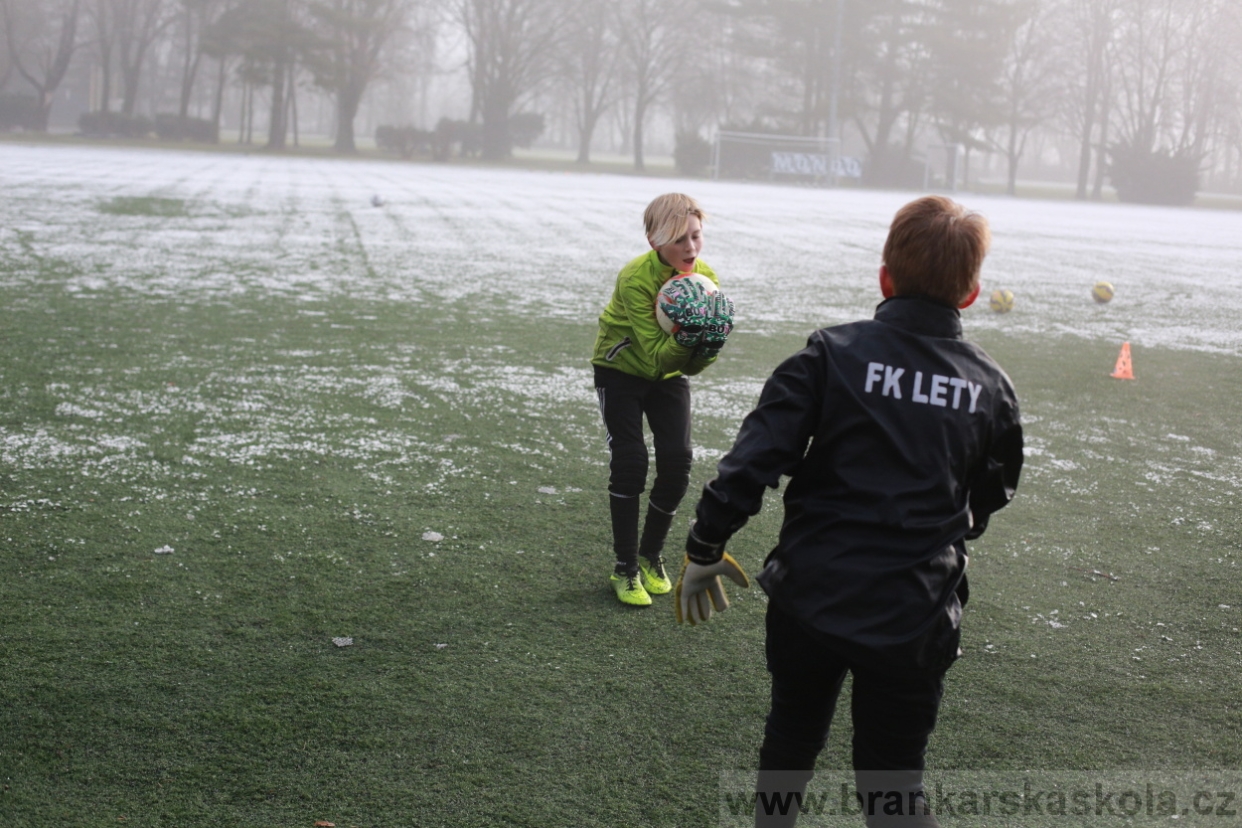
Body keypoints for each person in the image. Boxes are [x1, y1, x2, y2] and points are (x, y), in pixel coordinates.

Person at [674, 195, 1024, 827]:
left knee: (789, 746)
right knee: (892, 785)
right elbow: (992, 495)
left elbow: (752, 460)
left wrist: (704, 546)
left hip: (811, 595)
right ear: (970, 293)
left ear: (885, 276)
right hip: (915, 612)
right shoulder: (992, 387)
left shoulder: (831, 354)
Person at [592, 193, 736, 607]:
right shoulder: (636, 278)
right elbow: (656, 356)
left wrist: (708, 347)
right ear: (656, 241)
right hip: (619, 371)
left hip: (667, 377)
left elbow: (684, 369)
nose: (690, 249)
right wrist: (689, 337)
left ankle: (650, 555)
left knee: (677, 461)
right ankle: (624, 567)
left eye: (696, 236)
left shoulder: (704, 279)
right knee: (631, 461)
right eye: (679, 240)